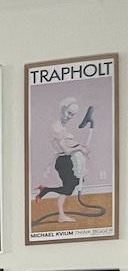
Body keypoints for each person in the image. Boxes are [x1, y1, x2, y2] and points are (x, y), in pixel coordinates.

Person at [35, 96, 94, 226]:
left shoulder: (62, 126)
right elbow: (66, 150)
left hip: (68, 160)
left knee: (73, 184)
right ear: (63, 109)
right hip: (63, 162)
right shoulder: (56, 127)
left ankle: (58, 210)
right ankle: (47, 192)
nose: (69, 117)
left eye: (72, 115)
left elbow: (69, 143)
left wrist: (82, 148)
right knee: (68, 189)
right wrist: (80, 148)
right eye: (68, 113)